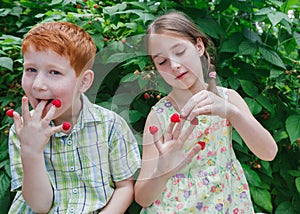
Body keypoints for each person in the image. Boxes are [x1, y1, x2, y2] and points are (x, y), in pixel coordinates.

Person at [134, 11, 278, 213]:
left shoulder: (228, 100)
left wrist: (232, 113)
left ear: (199, 46)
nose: (174, 65)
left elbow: (269, 153)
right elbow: (142, 198)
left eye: (180, 51)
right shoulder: (159, 116)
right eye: (162, 62)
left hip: (227, 204)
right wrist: (162, 171)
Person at [7, 21, 141, 213]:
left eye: (54, 72)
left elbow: (125, 187)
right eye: (31, 70)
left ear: (84, 81)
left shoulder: (110, 126)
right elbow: (40, 205)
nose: (38, 85)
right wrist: (31, 151)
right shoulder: (21, 131)